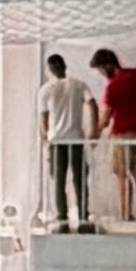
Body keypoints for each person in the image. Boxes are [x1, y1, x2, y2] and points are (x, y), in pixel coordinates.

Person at [95, 46, 136, 222]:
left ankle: (126, 214)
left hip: (120, 135)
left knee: (122, 175)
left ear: (107, 65)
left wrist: (94, 135)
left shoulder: (112, 87)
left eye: (100, 69)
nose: (100, 73)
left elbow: (105, 119)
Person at [39, 51, 95, 230]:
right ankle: (83, 216)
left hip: (56, 140)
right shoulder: (78, 85)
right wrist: (92, 130)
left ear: (50, 70)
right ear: (64, 67)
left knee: (59, 180)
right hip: (75, 138)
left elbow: (43, 118)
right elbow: (92, 103)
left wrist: (44, 139)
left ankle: (62, 218)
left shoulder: (46, 89)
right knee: (79, 178)